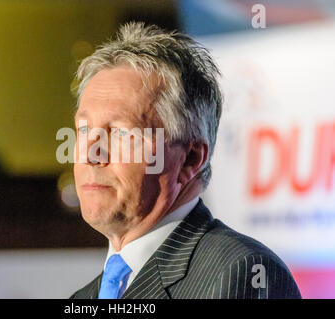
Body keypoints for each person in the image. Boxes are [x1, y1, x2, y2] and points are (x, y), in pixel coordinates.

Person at [69, 22, 301, 299]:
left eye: (120, 133)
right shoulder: (83, 299)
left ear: (190, 159)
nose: (90, 154)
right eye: (84, 130)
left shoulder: (241, 275)